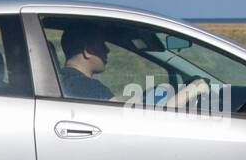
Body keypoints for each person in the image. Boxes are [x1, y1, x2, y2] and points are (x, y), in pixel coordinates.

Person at [58, 23, 210, 109]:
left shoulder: (65, 82)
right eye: (102, 45)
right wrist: (192, 91)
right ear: (88, 51)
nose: (107, 50)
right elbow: (134, 123)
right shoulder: (88, 88)